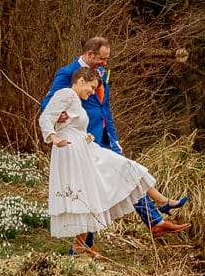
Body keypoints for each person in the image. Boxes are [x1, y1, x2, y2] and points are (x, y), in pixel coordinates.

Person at [42, 35, 188, 235]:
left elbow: (105, 108)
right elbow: (48, 104)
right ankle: (153, 218)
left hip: (103, 137)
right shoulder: (67, 73)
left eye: (107, 59)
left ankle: (154, 219)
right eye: (102, 59)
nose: (105, 63)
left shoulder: (101, 73)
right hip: (83, 138)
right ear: (89, 54)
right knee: (95, 185)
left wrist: (114, 137)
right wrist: (59, 117)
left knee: (124, 173)